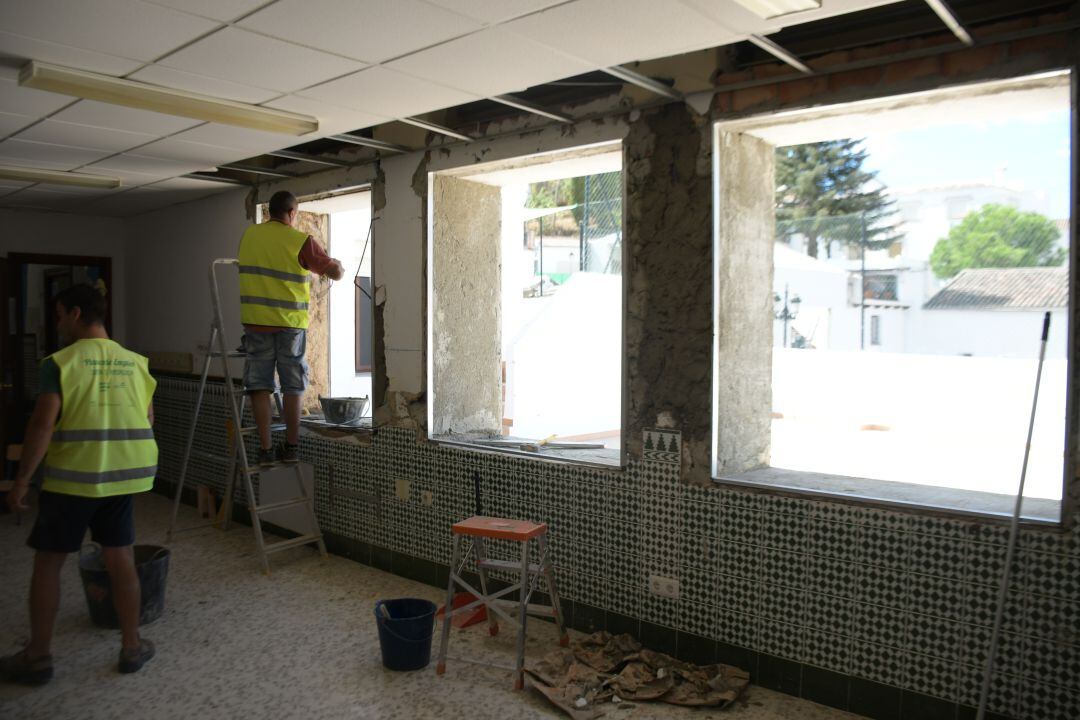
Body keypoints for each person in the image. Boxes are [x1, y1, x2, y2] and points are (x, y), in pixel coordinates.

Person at [2, 284, 158, 684]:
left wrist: (20, 481)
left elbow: (41, 425)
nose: (58, 323)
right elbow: (147, 419)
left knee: (48, 564)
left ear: (74, 314)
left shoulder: (60, 363)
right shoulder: (135, 362)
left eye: (58, 315)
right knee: (120, 559)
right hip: (121, 479)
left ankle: (38, 657)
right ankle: (131, 646)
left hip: (72, 481)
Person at [239, 190, 344, 467]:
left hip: (256, 323)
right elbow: (333, 272)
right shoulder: (300, 241)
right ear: (292, 213)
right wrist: (338, 267)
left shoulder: (249, 236)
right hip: (289, 327)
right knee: (293, 385)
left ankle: (264, 449)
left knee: (259, 386)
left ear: (269, 211)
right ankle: (291, 446)